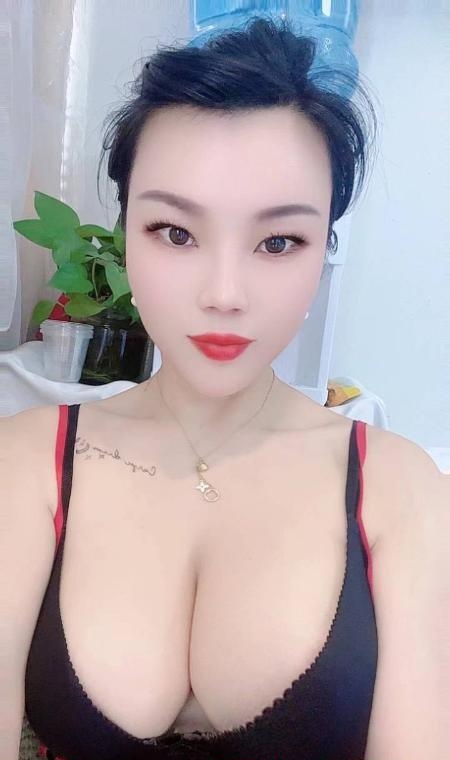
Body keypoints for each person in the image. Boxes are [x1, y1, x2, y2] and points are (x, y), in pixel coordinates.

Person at [2, 15, 448, 760]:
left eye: (279, 241)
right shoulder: (22, 467)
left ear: (323, 251)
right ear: (125, 232)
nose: (224, 294)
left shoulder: (401, 490)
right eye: (175, 233)